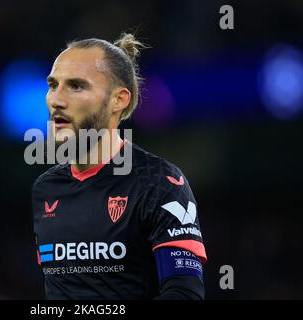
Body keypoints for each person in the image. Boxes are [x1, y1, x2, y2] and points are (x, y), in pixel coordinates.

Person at [31, 33, 207, 299]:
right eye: (53, 85)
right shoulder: (46, 189)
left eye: (76, 86)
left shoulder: (161, 183)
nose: (56, 99)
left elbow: (184, 293)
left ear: (119, 99)